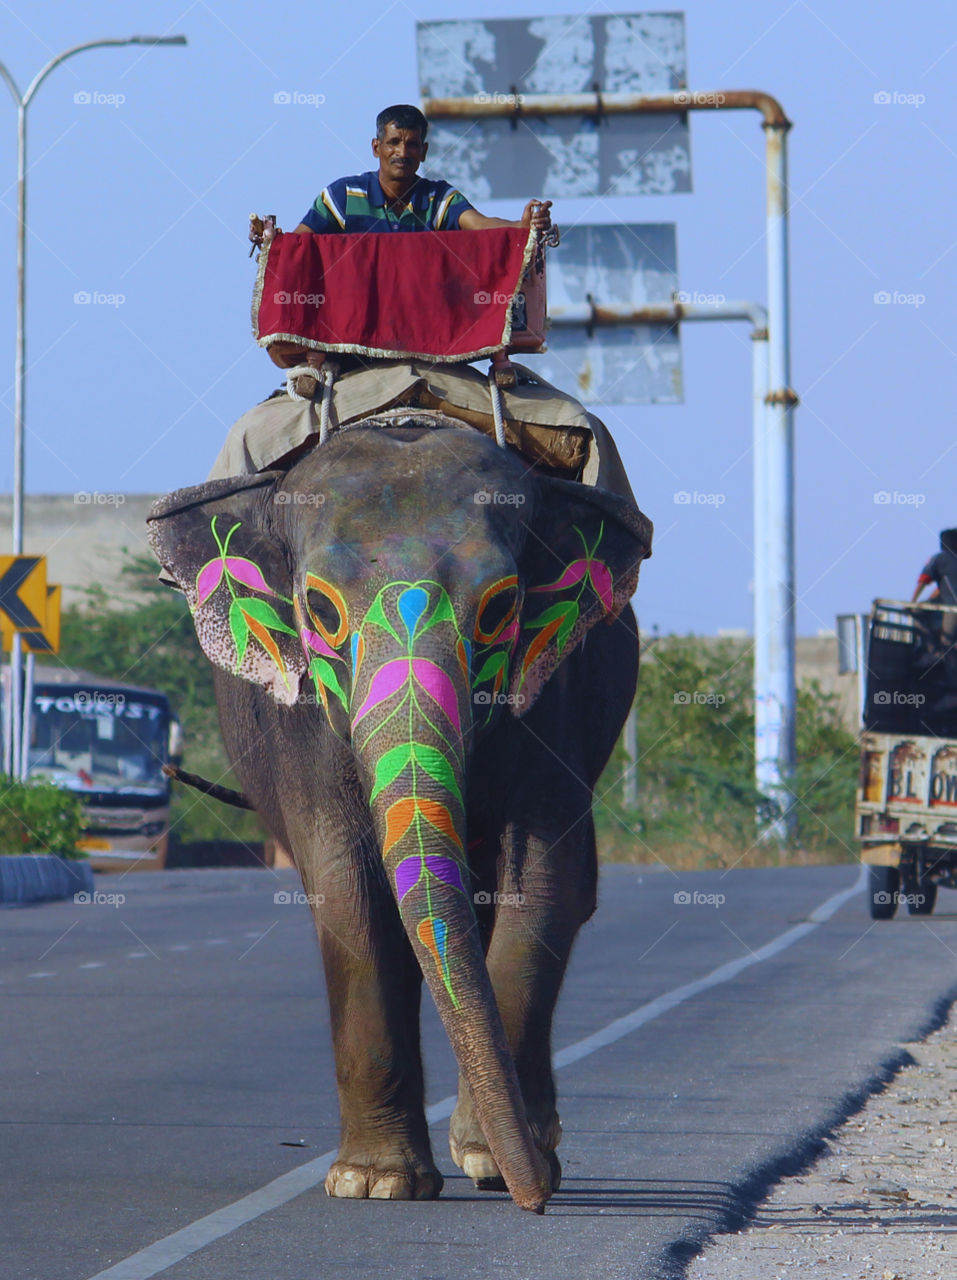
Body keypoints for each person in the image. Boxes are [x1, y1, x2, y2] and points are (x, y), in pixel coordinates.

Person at [291, 103, 553, 237]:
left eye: (412, 145)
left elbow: (479, 224)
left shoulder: (438, 198)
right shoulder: (343, 196)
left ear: (424, 152)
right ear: (376, 147)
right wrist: (267, 239)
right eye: (393, 143)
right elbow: (296, 246)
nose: (402, 153)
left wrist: (521, 227)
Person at [912, 529, 957, 604]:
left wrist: (913, 602)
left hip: (953, 608)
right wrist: (929, 600)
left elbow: (924, 579)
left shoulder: (940, 559)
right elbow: (946, 586)